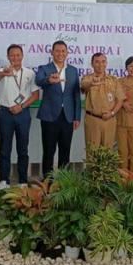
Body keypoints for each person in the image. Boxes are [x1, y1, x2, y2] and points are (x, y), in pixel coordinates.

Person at [0, 44, 39, 191]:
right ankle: (3, 181)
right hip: (5, 114)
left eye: (18, 55)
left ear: (22, 56)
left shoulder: (29, 73)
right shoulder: (2, 71)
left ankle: (22, 181)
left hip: (23, 113)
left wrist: (21, 106)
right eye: (12, 55)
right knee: (5, 149)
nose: (15, 57)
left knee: (23, 149)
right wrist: (4, 73)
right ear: (8, 56)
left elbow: (35, 95)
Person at [35, 40, 81, 178]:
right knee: (49, 150)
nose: (60, 53)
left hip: (67, 116)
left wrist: (77, 117)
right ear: (52, 52)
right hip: (49, 116)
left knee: (65, 150)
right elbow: (39, 81)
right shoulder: (44, 68)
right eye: (57, 51)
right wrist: (49, 80)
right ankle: (47, 181)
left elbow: (76, 95)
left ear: (67, 53)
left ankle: (63, 182)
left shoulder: (73, 70)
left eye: (63, 51)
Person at [80, 53, 124, 149]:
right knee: (92, 154)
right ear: (92, 64)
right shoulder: (87, 78)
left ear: (106, 63)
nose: (100, 64)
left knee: (107, 153)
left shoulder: (114, 80)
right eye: (97, 62)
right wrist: (92, 83)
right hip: (93, 121)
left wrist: (112, 113)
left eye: (103, 61)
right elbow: (84, 85)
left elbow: (120, 100)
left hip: (110, 121)